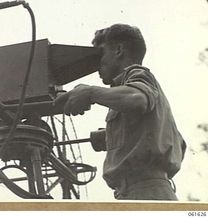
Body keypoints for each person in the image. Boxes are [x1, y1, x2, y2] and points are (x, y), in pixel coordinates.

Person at [54, 24, 186, 200]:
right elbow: (177, 141)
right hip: (138, 193)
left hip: (145, 193)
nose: (96, 65)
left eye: (100, 54)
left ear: (118, 50)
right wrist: (114, 135)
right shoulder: (130, 90)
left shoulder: (137, 74)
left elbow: (138, 99)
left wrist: (90, 92)